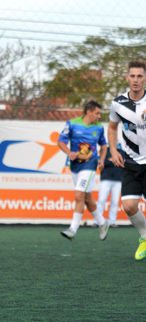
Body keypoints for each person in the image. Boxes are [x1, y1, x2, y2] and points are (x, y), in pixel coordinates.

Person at [108, 60, 146, 260]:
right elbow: (112, 129)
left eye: (140, 76)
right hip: (130, 163)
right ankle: (144, 237)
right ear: (127, 78)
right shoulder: (118, 103)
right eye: (133, 76)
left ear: (145, 78)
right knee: (130, 206)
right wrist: (113, 150)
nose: (136, 80)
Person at [58, 101, 109, 241]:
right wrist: (69, 153)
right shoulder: (72, 123)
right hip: (75, 166)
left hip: (90, 165)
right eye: (97, 113)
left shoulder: (99, 128)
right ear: (89, 112)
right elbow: (60, 141)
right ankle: (103, 223)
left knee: (79, 195)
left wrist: (102, 160)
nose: (99, 116)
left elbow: (104, 146)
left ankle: (72, 229)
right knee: (86, 198)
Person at [95, 146, 123, 227]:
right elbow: (102, 162)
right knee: (101, 200)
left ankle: (112, 221)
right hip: (106, 179)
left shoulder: (121, 152)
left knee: (115, 201)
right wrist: (114, 161)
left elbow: (122, 163)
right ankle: (97, 221)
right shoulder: (105, 151)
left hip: (118, 180)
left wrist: (110, 160)